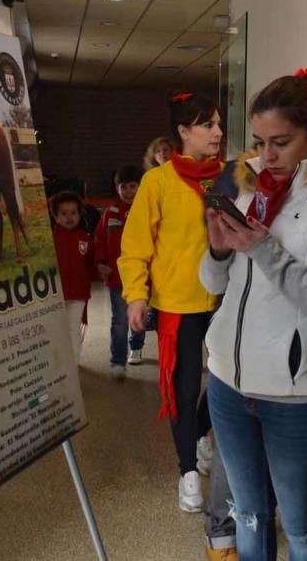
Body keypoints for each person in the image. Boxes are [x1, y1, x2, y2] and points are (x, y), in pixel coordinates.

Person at [201, 68, 307, 561]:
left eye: (281, 142)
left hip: (299, 395)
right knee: (249, 515)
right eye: (258, 141)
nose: (266, 156)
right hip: (228, 382)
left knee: (299, 527)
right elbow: (215, 285)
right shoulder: (249, 181)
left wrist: (263, 249)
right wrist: (217, 250)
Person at [119, 92, 223, 513]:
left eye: (218, 123)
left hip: (225, 301)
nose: (218, 132)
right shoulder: (157, 182)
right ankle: (187, 473)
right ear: (183, 132)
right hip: (177, 304)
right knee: (181, 389)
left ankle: (201, 431)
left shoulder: (230, 177)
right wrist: (136, 295)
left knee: (224, 384)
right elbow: (135, 245)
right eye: (207, 125)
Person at [94, 164, 145, 377]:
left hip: (141, 279)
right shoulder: (110, 214)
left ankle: (136, 346)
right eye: (124, 186)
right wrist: (100, 262)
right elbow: (99, 240)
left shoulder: (146, 212)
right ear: (117, 188)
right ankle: (118, 361)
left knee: (139, 317)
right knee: (119, 320)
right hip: (116, 279)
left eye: (133, 186)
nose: (129, 191)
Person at [49, 191, 95, 362]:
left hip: (78, 294)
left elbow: (92, 263)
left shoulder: (85, 238)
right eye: (64, 213)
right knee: (57, 329)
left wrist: (101, 269)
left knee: (73, 327)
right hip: (55, 295)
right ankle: (58, 360)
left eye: (73, 213)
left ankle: (73, 362)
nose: (69, 217)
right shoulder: (51, 240)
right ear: (55, 216)